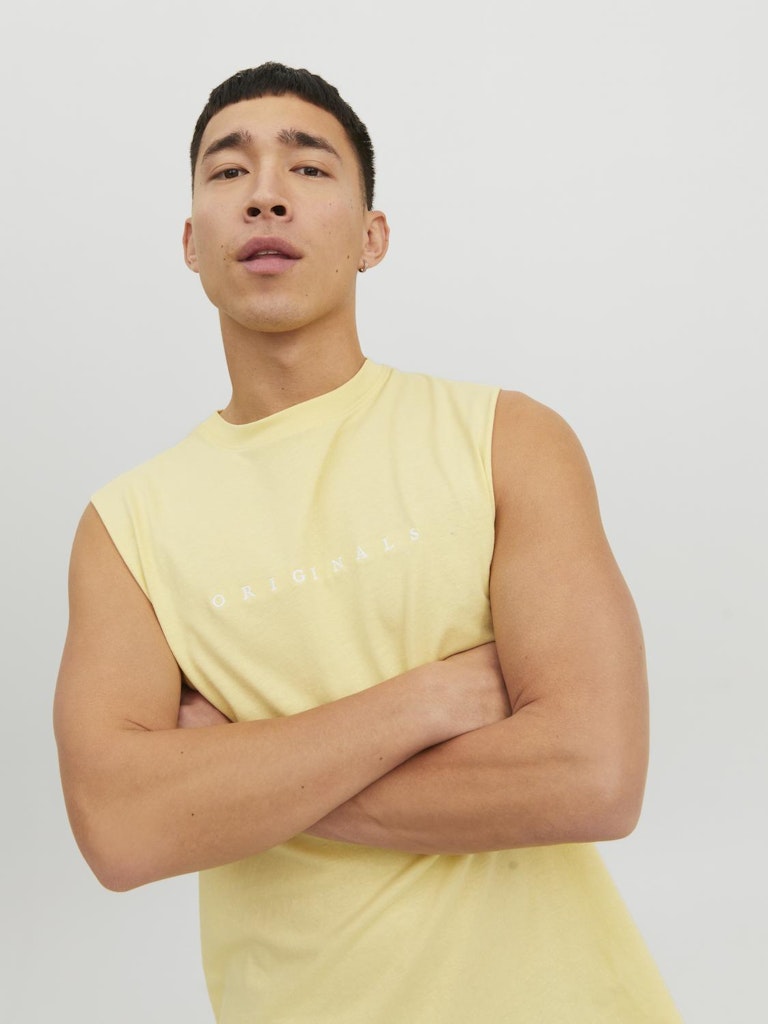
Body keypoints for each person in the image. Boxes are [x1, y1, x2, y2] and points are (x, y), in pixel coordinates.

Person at [54, 62, 681, 1023]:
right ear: (190, 242)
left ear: (371, 237)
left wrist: (238, 782)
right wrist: (429, 701)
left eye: (308, 169)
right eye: (228, 171)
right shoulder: (125, 530)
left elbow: (592, 775)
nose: (265, 194)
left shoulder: (506, 440)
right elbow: (123, 829)